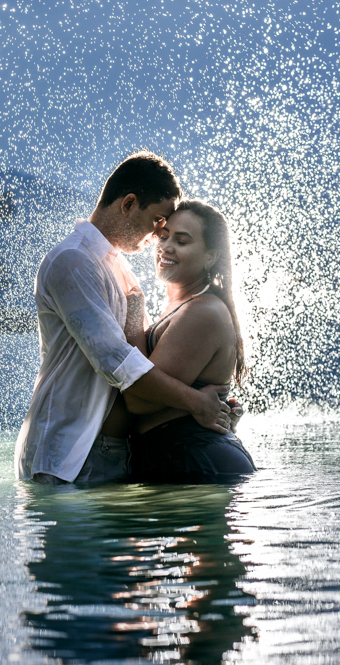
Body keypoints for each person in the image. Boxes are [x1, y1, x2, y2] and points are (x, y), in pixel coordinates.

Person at [14, 153, 234, 485]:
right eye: (158, 221)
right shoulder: (73, 261)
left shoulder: (118, 268)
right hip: (68, 452)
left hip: (114, 454)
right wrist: (197, 403)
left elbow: (149, 360)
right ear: (129, 204)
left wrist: (215, 406)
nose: (158, 235)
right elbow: (116, 362)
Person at [123, 200, 256, 482]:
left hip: (196, 461)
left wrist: (133, 320)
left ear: (210, 257)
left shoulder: (202, 311)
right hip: (186, 458)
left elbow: (137, 400)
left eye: (182, 241)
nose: (166, 246)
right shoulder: (183, 305)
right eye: (163, 235)